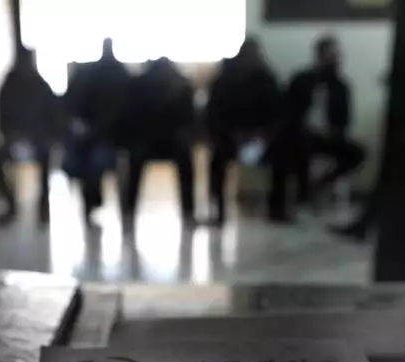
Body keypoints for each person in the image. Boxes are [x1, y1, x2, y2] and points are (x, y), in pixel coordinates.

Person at [268, 36, 365, 222]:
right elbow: (287, 111)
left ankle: (318, 185)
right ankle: (298, 199)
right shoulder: (301, 80)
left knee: (357, 154)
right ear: (319, 56)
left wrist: (335, 131)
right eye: (331, 55)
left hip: (329, 136)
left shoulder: (341, 86)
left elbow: (345, 118)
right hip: (299, 134)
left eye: (337, 56)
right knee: (291, 147)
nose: (336, 60)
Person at [203, 38, 281, 226]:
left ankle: (276, 209)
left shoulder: (266, 80)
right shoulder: (224, 81)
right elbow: (214, 114)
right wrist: (233, 135)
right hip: (233, 139)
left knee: (284, 154)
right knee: (217, 160)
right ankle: (219, 211)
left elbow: (278, 114)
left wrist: (262, 135)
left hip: (259, 139)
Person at [121, 56, 197, 225]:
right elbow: (189, 119)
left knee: (135, 165)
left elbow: (129, 116)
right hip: (168, 142)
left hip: (148, 142)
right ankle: (188, 211)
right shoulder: (181, 84)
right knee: (186, 163)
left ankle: (129, 211)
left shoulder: (139, 85)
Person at [63, 37, 131, 224]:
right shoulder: (119, 74)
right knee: (90, 163)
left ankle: (93, 202)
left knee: (92, 163)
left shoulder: (93, 74)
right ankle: (95, 202)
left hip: (106, 137)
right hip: (100, 137)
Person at [0, 46, 59, 224]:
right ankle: (10, 204)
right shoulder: (9, 84)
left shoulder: (40, 84)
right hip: (15, 137)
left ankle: (43, 208)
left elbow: (53, 114)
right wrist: (10, 134)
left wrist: (47, 136)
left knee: (46, 158)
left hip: (38, 137)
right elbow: (2, 113)